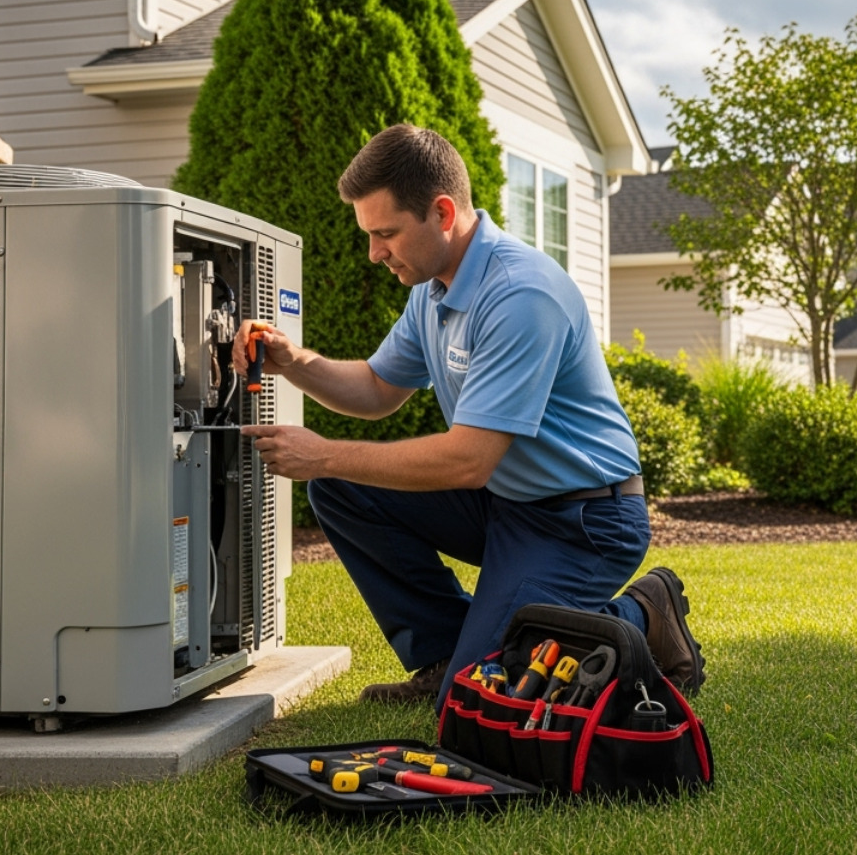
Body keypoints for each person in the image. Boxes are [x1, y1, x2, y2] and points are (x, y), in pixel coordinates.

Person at [236, 124, 704, 709]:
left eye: (386, 233)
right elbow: (380, 388)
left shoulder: (519, 295)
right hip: (507, 505)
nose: (374, 253)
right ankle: (444, 653)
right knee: (340, 487)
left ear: (442, 212)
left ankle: (644, 612)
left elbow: (468, 460)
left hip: (585, 520)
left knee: (475, 702)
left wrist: (322, 452)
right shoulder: (433, 289)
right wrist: (293, 361)